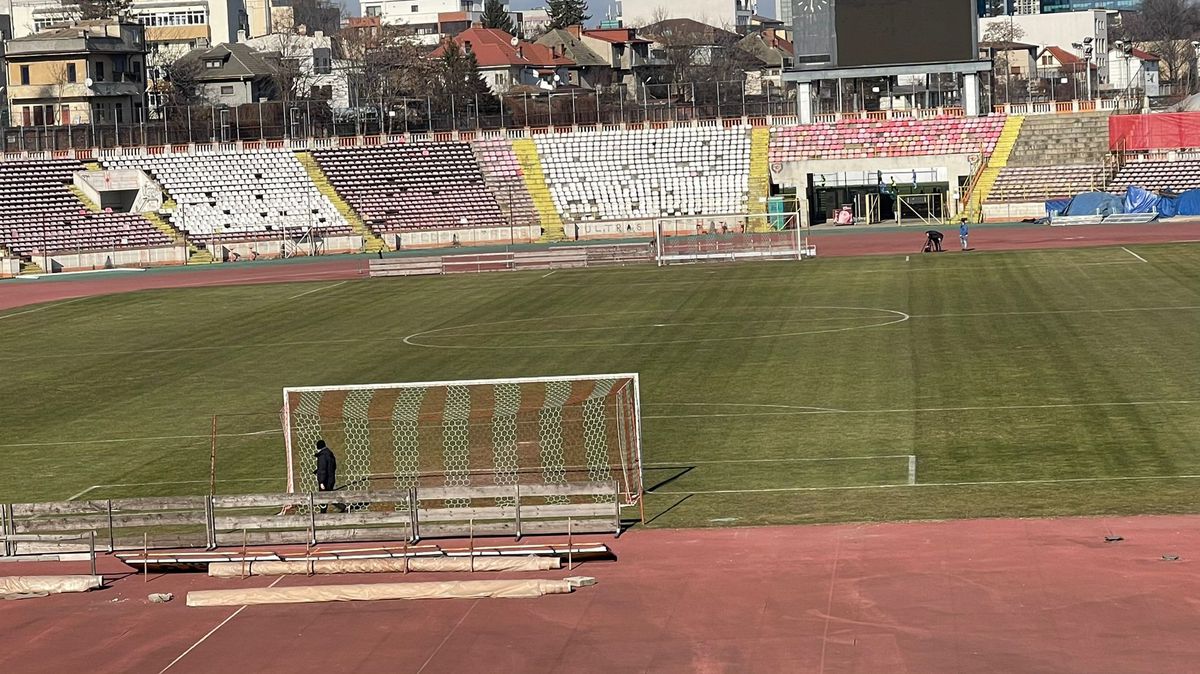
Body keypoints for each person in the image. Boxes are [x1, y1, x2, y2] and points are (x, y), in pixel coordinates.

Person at [313, 439, 337, 513]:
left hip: (325, 480)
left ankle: (322, 514)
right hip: (331, 479)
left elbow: (323, 469)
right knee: (329, 496)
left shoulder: (322, 456)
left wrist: (321, 482)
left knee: (323, 497)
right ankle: (342, 506)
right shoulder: (330, 453)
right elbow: (332, 466)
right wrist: (318, 470)